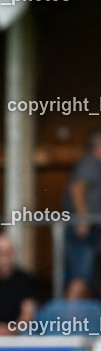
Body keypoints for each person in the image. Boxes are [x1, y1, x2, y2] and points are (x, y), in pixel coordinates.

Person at [62, 128, 101, 299]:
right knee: (81, 276)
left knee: (88, 278)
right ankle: (69, 322)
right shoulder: (90, 162)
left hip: (93, 229)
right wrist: (83, 218)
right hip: (82, 229)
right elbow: (77, 189)